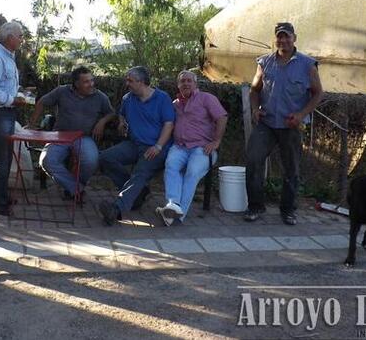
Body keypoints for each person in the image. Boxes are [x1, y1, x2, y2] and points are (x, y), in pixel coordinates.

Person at [244, 22, 323, 225]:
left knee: (291, 169)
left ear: (294, 38)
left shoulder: (307, 64)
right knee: (253, 160)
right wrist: (255, 109)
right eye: (279, 36)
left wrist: (301, 114)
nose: (283, 40)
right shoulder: (264, 62)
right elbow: (254, 89)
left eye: (287, 36)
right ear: (275, 39)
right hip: (267, 123)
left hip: (291, 125)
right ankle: (255, 206)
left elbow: (318, 93)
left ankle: (287, 210)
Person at [98, 66, 175, 226]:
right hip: (134, 145)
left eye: (130, 80)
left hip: (156, 148)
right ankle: (138, 194)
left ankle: (116, 209)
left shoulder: (162, 98)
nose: (127, 83)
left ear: (141, 82)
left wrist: (158, 146)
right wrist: (121, 122)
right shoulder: (128, 99)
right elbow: (122, 114)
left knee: (139, 174)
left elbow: (169, 124)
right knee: (105, 158)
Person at [27, 66, 115, 200]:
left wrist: (102, 121)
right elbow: (42, 102)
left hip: (83, 137)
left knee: (91, 160)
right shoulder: (62, 91)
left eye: (92, 80)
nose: (91, 84)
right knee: (46, 161)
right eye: (86, 82)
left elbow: (111, 113)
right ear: (76, 83)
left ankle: (73, 188)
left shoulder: (99, 96)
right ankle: (75, 188)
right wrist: (32, 124)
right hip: (60, 136)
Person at [155, 70, 227, 226]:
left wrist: (216, 141)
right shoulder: (175, 104)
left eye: (189, 81)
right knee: (171, 166)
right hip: (180, 147)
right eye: (182, 81)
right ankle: (173, 205)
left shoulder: (207, 98)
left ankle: (177, 214)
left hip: (202, 148)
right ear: (178, 85)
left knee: (192, 171)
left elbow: (222, 117)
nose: (186, 83)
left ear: (195, 84)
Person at [0, 21, 26, 216]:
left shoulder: (8, 56)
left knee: (4, 157)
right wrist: (12, 99)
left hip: (6, 112)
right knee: (1, 158)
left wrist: (19, 94)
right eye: (20, 36)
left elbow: (3, 85)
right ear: (9, 38)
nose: (22, 39)